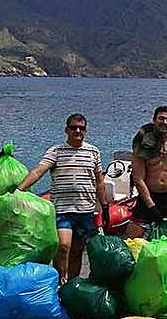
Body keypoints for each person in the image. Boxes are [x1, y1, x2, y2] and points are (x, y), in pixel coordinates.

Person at [17, 113, 106, 281]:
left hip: (85, 209)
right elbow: (38, 171)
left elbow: (99, 181)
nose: (77, 131)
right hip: (62, 209)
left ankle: (73, 284)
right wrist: (19, 190)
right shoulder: (56, 151)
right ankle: (61, 280)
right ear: (67, 130)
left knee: (78, 250)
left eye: (81, 128)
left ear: (86, 131)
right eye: (73, 128)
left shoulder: (93, 152)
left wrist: (105, 206)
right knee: (63, 246)